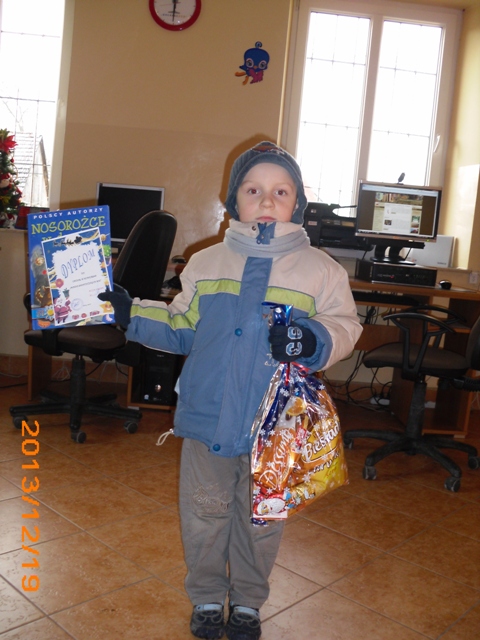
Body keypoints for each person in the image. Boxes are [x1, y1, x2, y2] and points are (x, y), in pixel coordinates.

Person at [99, 141, 362, 640]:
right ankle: (204, 595)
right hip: (208, 418)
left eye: (281, 191)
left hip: (277, 428)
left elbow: (346, 325)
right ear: (233, 199)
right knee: (205, 514)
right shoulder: (206, 262)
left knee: (262, 521)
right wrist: (133, 314)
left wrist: (314, 338)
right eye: (253, 189)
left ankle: (247, 601)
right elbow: (181, 325)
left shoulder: (321, 270)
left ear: (298, 203)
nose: (267, 200)